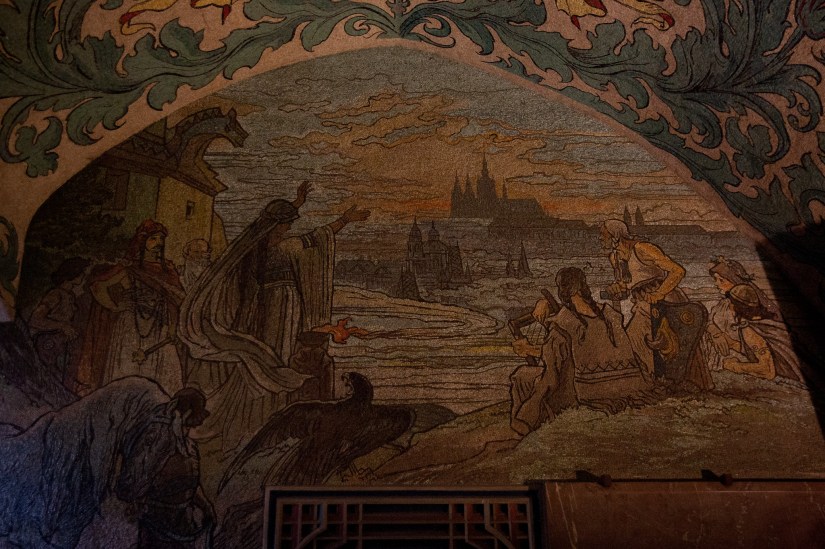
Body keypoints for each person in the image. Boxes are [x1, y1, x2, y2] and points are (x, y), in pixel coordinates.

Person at [179, 184, 370, 449]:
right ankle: (265, 420)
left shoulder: (267, 247)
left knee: (279, 356)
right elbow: (317, 237)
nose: (289, 228)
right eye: (287, 223)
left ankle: (273, 415)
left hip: (283, 309)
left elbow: (313, 236)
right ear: (276, 225)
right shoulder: (273, 249)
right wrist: (344, 220)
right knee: (274, 358)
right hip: (277, 311)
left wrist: (300, 203)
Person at [510, 267, 649, 435]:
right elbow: (584, 348)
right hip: (627, 388)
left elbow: (553, 362)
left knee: (522, 375)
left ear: (564, 290)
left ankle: (526, 425)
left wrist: (528, 349)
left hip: (586, 395)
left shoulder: (564, 323)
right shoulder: (609, 314)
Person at [76, 220, 185, 396]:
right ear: (142, 241)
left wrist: (173, 326)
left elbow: (175, 301)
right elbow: (98, 287)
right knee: (127, 369)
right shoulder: (130, 268)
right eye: (153, 238)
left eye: (161, 239)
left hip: (160, 326)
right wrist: (114, 306)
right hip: (130, 327)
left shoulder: (168, 271)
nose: (159, 243)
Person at [600, 219, 712, 390]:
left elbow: (677, 271)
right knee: (636, 343)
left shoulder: (642, 249)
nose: (600, 239)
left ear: (615, 236)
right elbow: (627, 288)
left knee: (675, 347)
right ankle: (652, 384)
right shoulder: (614, 257)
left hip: (666, 302)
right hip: (642, 305)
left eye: (603, 235)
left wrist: (659, 294)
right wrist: (617, 289)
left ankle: (681, 384)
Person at [135, 388, 216, 549]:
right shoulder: (159, 446)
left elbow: (192, 485)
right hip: (158, 524)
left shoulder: (191, 447)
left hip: (184, 522)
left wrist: (206, 507)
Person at [717, 284, 805, 383]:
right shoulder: (763, 321)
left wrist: (734, 366)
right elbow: (753, 348)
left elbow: (767, 370)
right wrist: (731, 343)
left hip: (792, 377)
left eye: (732, 303)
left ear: (740, 306)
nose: (730, 306)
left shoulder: (750, 329)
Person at [704, 257, 779, 371]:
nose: (716, 284)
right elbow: (709, 320)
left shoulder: (747, 311)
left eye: (721, 280)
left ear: (734, 280)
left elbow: (760, 359)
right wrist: (715, 332)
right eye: (716, 279)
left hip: (743, 362)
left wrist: (731, 365)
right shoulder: (724, 304)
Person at [28, 257, 90, 387]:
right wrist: (62, 326)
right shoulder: (55, 294)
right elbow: (35, 319)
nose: (83, 275)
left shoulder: (69, 296)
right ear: (73, 273)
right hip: (47, 344)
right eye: (81, 272)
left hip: (59, 347)